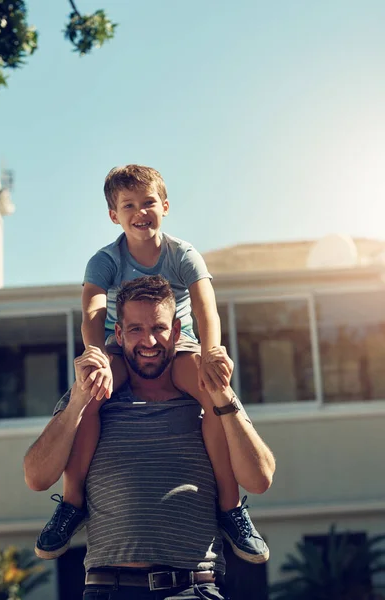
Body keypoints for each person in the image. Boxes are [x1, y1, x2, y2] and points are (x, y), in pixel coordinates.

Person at [34, 164, 269, 564]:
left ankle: (230, 508)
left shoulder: (183, 254)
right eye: (129, 205)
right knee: (92, 391)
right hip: (121, 345)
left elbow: (205, 308)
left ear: (165, 206)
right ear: (115, 215)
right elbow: (92, 309)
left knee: (211, 392)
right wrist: (95, 353)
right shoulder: (105, 259)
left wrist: (212, 350)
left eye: (148, 202)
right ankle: (72, 503)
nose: (140, 211)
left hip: (178, 345)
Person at [24, 276, 276, 599]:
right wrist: (77, 400)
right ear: (117, 334)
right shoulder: (93, 400)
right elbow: (36, 475)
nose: (150, 341)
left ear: (176, 329)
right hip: (109, 589)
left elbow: (259, 478)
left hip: (193, 587)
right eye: (135, 330)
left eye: (158, 328)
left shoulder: (206, 395)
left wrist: (223, 394)